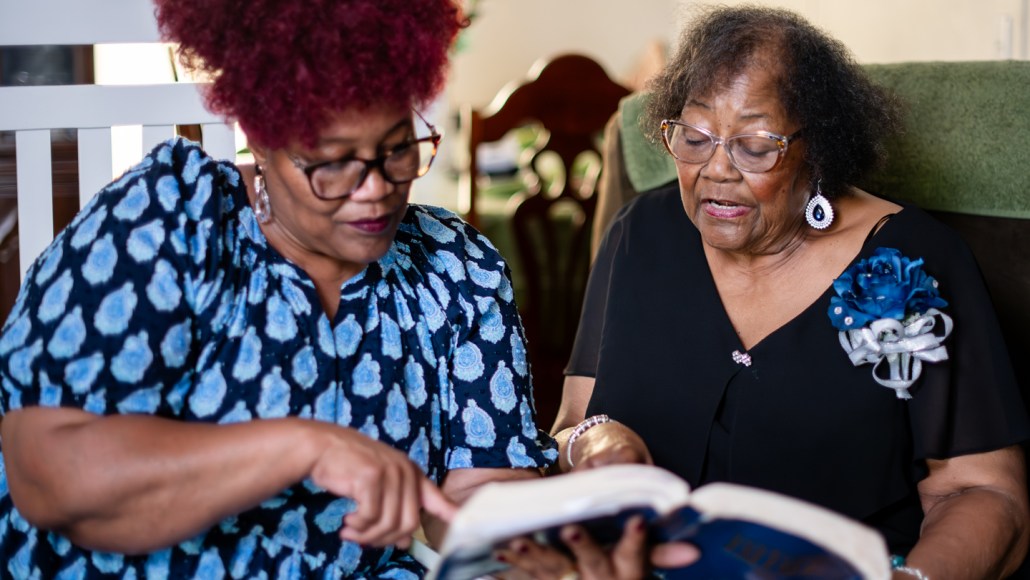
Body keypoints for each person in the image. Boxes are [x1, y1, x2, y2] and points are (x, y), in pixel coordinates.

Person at [0, 0, 557, 577]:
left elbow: (476, 490)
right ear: (260, 142)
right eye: (332, 162)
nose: (374, 189)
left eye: (396, 150)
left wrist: (541, 551)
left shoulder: (455, 267)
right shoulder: (170, 223)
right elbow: (47, 476)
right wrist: (301, 448)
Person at [505, 5, 1030, 580]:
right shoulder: (639, 235)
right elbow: (572, 423)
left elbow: (983, 493)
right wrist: (594, 443)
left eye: (754, 146)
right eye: (695, 137)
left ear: (819, 146)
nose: (716, 170)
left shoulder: (913, 265)